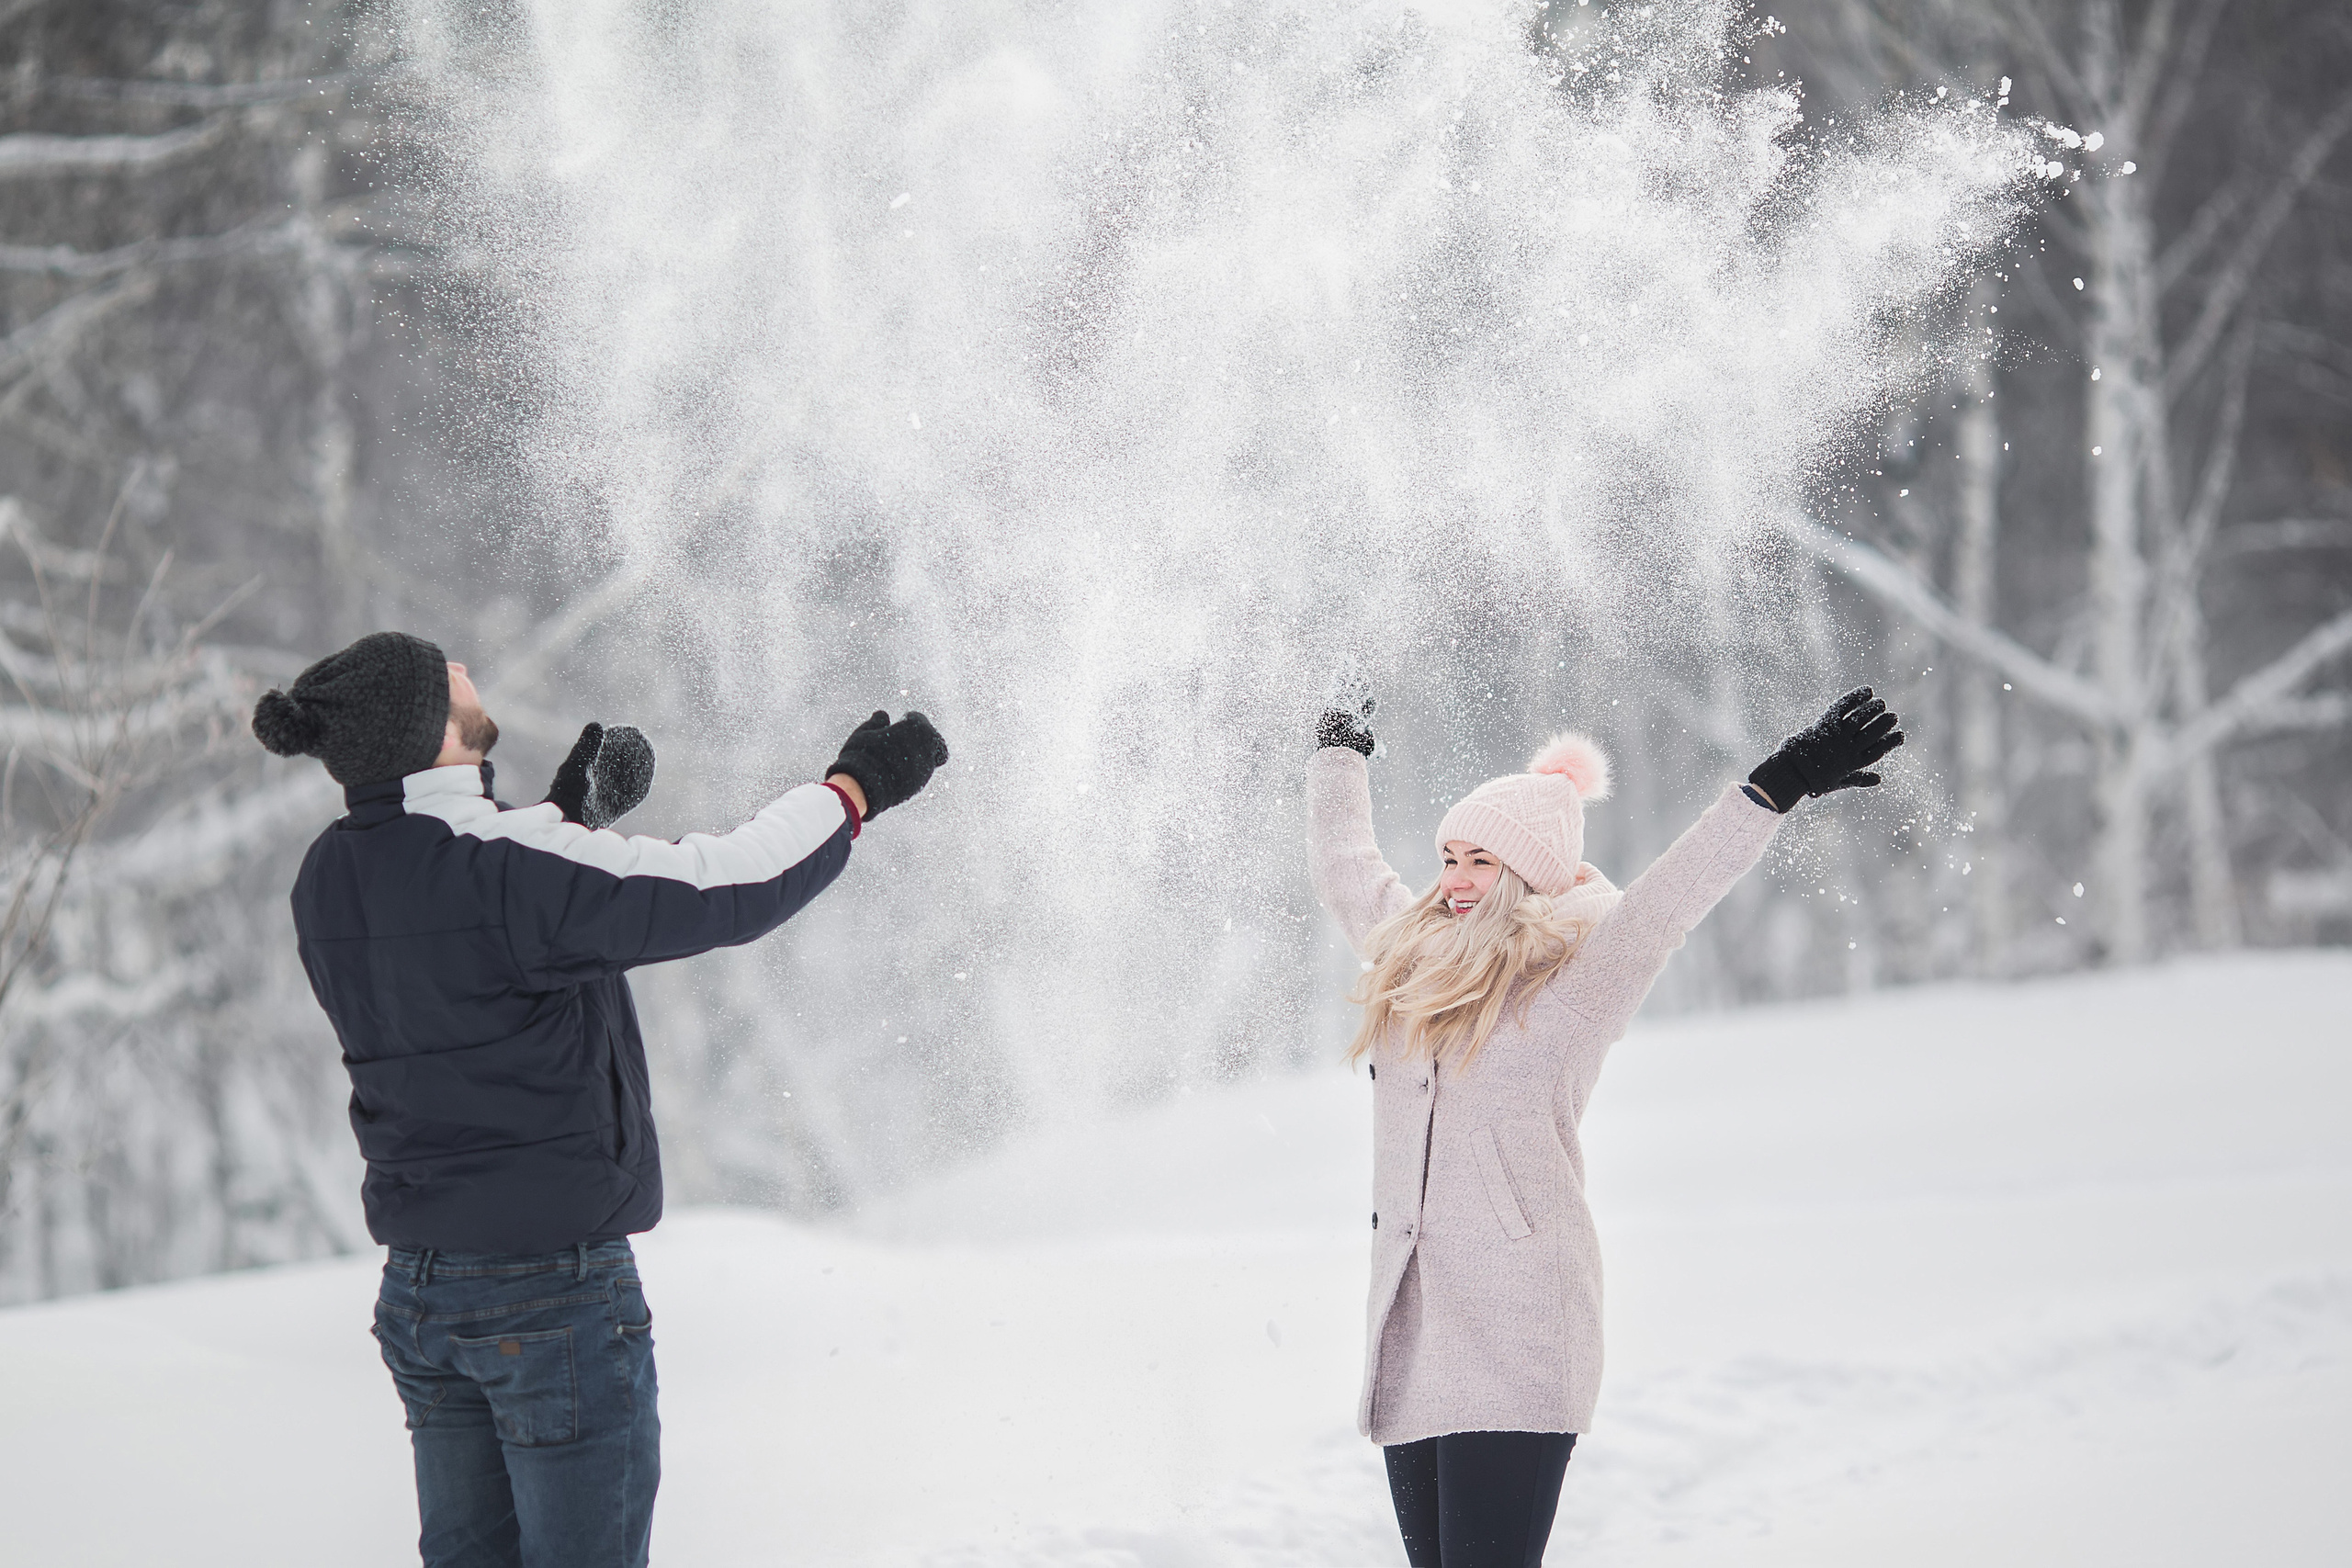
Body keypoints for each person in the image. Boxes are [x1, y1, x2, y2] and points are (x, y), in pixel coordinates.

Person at [251, 630, 949, 1568]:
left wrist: (564, 817)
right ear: (428, 724)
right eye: (448, 672)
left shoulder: (329, 878)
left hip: (425, 1297)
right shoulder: (510, 868)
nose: (466, 669)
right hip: (547, 1298)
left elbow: (459, 934)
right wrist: (851, 792)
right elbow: (725, 884)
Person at [1306, 682, 1903, 1568]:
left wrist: (1780, 783)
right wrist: (1338, 752)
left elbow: (1668, 902)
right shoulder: (1412, 958)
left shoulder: (1575, 984)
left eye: (1483, 862)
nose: (1458, 880)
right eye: (1450, 857)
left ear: (1527, 875)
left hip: (1519, 1331)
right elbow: (1348, 867)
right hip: (1416, 1329)